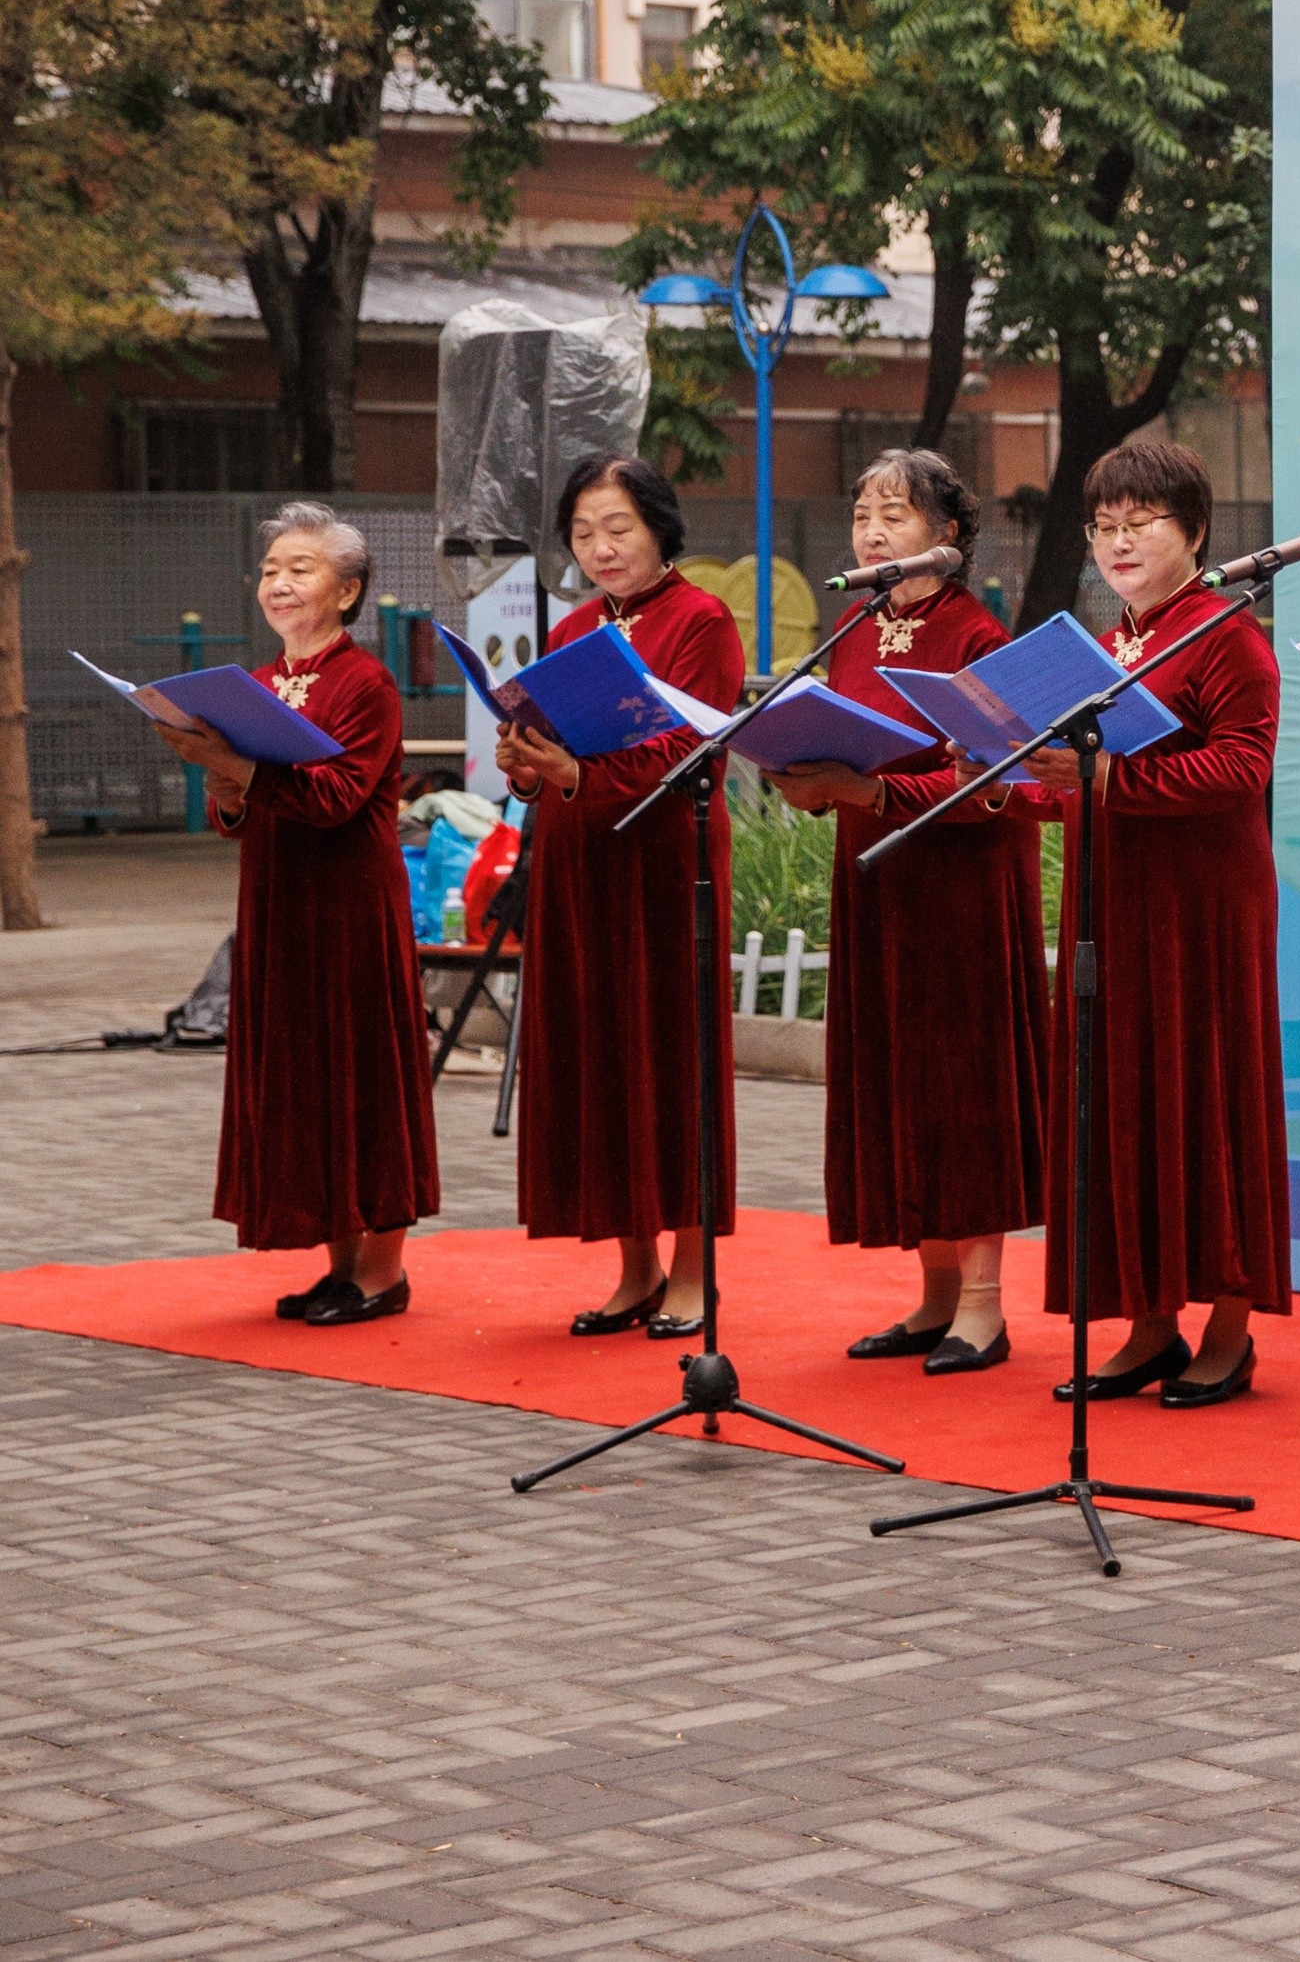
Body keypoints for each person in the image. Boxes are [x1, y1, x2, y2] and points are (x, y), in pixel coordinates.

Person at [1017, 438, 1290, 1409]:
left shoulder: (1224, 637)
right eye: (1104, 526)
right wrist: (1029, 777)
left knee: (1206, 1101)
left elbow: (1239, 772)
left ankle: (1228, 1328)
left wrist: (1110, 778)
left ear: (1199, 533)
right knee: (1125, 1103)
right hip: (1113, 909)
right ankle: (1146, 1323)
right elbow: (1087, 784)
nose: (1118, 542)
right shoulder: (1115, 643)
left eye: (1142, 523)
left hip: (1202, 913)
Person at [770, 450, 1052, 1376]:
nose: (872, 530)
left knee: (962, 1085)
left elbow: (995, 776)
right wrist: (807, 779)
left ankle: (982, 1304)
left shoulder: (979, 637)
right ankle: (931, 1296)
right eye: (862, 513)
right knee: (897, 1078)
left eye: (895, 513)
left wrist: (871, 789)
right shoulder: (852, 630)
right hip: (879, 878)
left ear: (949, 536)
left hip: (962, 885)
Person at [153, 503, 440, 1326]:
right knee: (309, 1082)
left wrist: (239, 764)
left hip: (350, 909)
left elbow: (340, 797)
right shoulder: (261, 682)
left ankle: (383, 1270)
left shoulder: (367, 683)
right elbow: (238, 814)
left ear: (348, 591)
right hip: (277, 905)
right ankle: (338, 1262)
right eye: (272, 569)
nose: (279, 582)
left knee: (364, 1079)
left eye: (301, 568)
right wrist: (222, 781)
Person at [498, 455, 744, 1338]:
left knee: (671, 1058)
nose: (601, 548)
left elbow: (690, 749)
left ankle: (692, 1267)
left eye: (619, 528)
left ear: (660, 528)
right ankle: (633, 1264)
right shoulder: (570, 629)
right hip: (580, 862)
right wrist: (529, 767)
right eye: (583, 532)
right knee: (604, 1058)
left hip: (664, 866)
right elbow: (555, 754)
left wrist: (576, 768)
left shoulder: (702, 620)